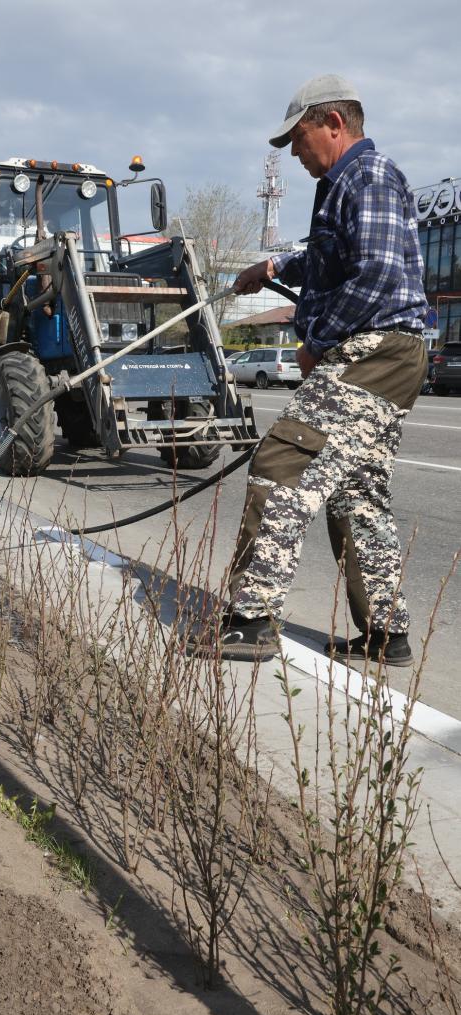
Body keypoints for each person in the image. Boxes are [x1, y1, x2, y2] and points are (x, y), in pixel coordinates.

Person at [187, 74, 428, 666]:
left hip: (376, 350)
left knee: (284, 462)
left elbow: (374, 274)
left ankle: (249, 621)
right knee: (356, 491)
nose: (295, 154)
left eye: (299, 139)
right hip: (392, 352)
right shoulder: (348, 183)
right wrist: (272, 266)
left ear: (334, 123)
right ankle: (385, 633)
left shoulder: (368, 176)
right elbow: (329, 260)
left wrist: (317, 342)